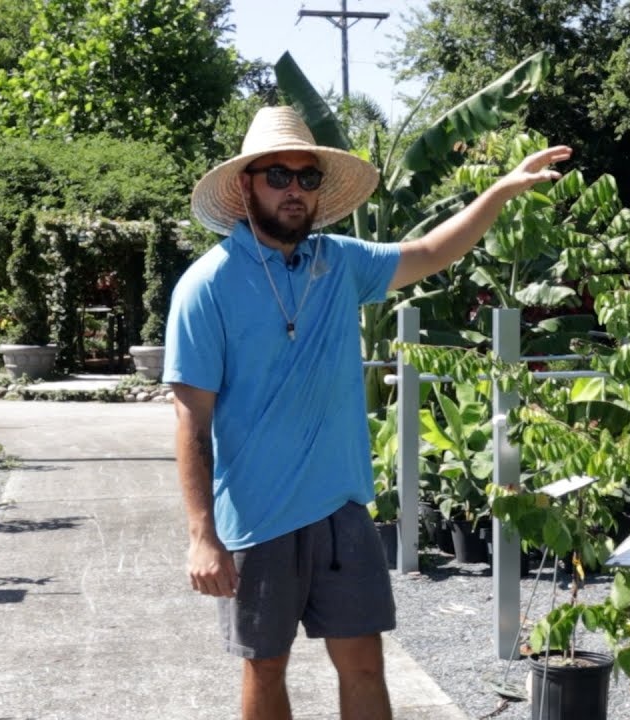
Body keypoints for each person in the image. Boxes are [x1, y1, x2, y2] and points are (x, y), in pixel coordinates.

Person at [164, 104, 570, 720]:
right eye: (278, 176)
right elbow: (191, 418)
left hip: (341, 509)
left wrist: (499, 192)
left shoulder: (340, 262)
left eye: (308, 177)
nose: (294, 190)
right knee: (265, 667)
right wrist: (202, 535)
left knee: (363, 663)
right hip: (256, 516)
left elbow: (434, 250)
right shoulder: (207, 285)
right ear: (246, 183)